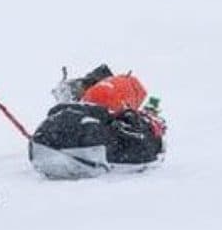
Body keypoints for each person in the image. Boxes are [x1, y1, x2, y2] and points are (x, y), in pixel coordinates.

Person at [30, 64, 166, 180]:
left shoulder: (107, 91)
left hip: (54, 137)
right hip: (100, 118)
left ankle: (75, 93)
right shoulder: (127, 97)